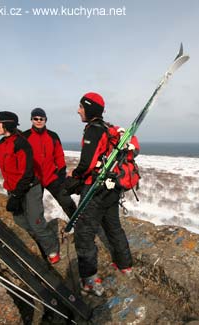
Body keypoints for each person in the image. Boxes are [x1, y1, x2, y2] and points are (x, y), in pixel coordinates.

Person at [0, 111, 61, 265]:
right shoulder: (1, 144)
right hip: (13, 190)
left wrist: (16, 197)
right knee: (20, 220)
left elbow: (28, 174)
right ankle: (38, 241)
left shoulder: (21, 144)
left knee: (36, 221)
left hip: (30, 188)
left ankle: (52, 249)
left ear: (6, 124)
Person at [65, 92, 133, 296]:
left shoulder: (93, 131)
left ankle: (90, 280)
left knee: (84, 233)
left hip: (96, 189)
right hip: (112, 188)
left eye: (81, 107)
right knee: (113, 226)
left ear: (89, 108)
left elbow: (87, 164)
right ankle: (125, 265)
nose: (78, 110)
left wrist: (73, 175)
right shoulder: (108, 128)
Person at [22, 108, 77, 263]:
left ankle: (78, 226)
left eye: (42, 118)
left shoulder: (53, 136)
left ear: (46, 120)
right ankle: (46, 244)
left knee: (66, 201)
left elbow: (59, 155)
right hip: (34, 179)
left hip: (52, 176)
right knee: (35, 210)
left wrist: (61, 172)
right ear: (31, 120)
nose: (39, 121)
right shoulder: (25, 136)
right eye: (35, 118)